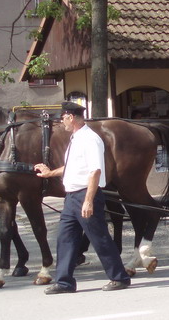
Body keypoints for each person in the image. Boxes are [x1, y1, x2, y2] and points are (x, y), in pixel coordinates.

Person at [35, 102, 131, 294]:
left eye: (63, 118)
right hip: (71, 197)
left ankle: (119, 277)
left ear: (71, 117)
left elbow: (95, 171)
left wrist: (88, 200)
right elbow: (72, 167)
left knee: (99, 238)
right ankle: (64, 282)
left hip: (85, 195)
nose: (62, 121)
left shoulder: (90, 139)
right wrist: (50, 173)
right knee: (65, 238)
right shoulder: (76, 138)